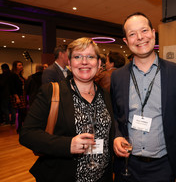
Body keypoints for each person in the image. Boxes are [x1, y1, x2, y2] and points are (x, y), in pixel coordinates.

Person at [19, 37, 114, 182]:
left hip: (102, 177)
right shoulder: (51, 92)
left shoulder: (105, 95)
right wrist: (68, 144)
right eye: (77, 57)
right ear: (69, 63)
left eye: (90, 57)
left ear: (99, 62)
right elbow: (27, 134)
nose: (84, 62)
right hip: (63, 175)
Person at [111, 12, 176, 182]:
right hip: (127, 166)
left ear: (153, 33)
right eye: (132, 34)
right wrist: (116, 135)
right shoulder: (117, 77)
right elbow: (115, 115)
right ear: (126, 41)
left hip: (163, 166)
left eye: (144, 31)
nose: (140, 38)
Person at [10, 61, 27, 133]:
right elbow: (12, 87)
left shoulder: (19, 75)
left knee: (22, 112)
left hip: (22, 95)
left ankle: (21, 127)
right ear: (15, 66)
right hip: (18, 96)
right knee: (21, 112)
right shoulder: (13, 75)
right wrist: (17, 97)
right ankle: (20, 128)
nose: (21, 66)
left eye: (21, 65)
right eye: (19, 65)